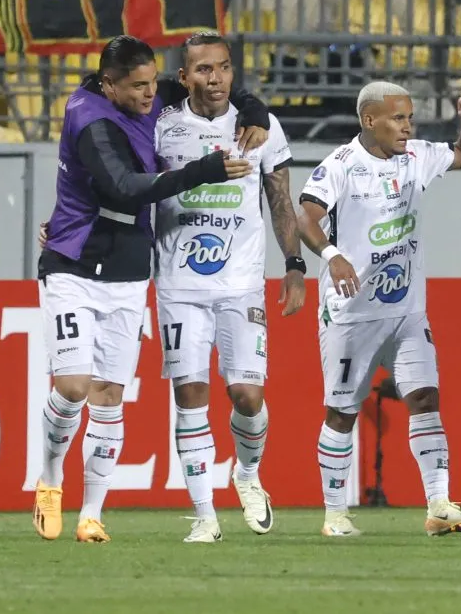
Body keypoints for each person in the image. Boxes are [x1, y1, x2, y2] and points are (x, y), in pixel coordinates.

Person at [34, 35, 268, 544]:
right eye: (138, 86)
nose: (149, 94)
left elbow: (215, 89)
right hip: (73, 262)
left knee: (110, 397)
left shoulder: (141, 92)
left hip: (127, 270)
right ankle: (50, 478)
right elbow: (124, 186)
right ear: (108, 84)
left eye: (151, 82)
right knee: (73, 386)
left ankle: (91, 513)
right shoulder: (91, 120)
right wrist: (204, 170)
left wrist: (255, 108)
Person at [297, 81, 461, 537]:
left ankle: (439, 505)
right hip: (351, 313)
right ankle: (334, 514)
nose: (408, 126)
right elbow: (304, 215)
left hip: (406, 309)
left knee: (424, 398)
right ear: (369, 120)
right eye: (398, 119)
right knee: (342, 412)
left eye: (410, 118)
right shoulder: (341, 165)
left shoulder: (416, 155)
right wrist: (331, 255)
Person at [153, 32, 305, 543]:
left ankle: (245, 473)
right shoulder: (161, 127)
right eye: (202, 70)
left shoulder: (260, 128)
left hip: (240, 284)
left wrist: (294, 264)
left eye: (222, 68)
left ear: (232, 73)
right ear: (184, 77)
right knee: (190, 395)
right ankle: (204, 516)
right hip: (178, 283)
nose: (213, 78)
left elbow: (280, 199)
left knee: (246, 394)